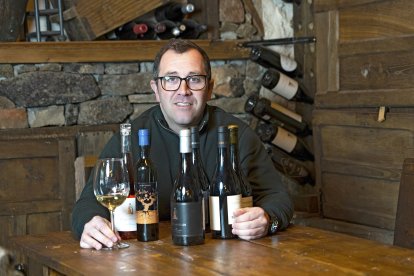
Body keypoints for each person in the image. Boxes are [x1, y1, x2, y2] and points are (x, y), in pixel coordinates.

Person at [72, 38, 294, 250]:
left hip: (226, 258)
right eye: (171, 79)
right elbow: (87, 204)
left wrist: (267, 219)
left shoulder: (237, 135)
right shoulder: (132, 138)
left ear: (209, 88)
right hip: (149, 260)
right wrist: (90, 224)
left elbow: (278, 199)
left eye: (194, 79)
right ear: (156, 90)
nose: (183, 90)